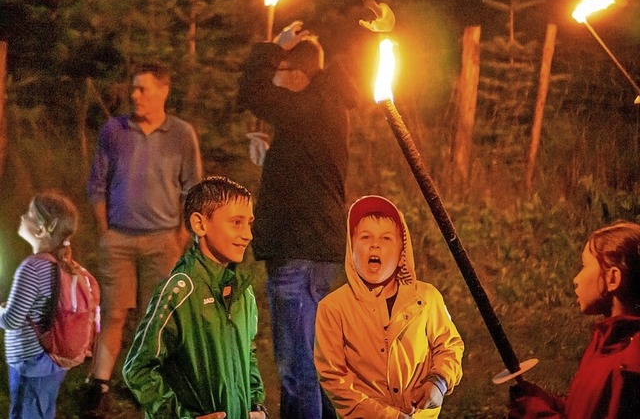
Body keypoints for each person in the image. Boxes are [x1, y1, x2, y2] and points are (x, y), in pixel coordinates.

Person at [237, 21, 358, 419]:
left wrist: (272, 47)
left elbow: (252, 92)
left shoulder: (314, 105)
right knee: (316, 361)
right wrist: (273, 152)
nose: (275, 80)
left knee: (297, 368)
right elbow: (306, 169)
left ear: (298, 75)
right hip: (315, 249)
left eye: (281, 72)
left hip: (300, 252)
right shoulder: (323, 109)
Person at [85, 62, 203, 412]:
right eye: (133, 88)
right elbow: (97, 184)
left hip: (163, 239)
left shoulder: (181, 134)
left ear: (163, 91)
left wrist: (181, 235)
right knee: (114, 313)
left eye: (143, 89)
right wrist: (105, 233)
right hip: (119, 239)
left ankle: (151, 383)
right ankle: (99, 387)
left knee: (159, 317)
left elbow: (194, 188)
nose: (135, 95)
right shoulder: (114, 130)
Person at [122, 175, 267, 419]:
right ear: (200, 224)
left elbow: (248, 353)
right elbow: (138, 367)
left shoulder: (243, 291)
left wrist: (256, 404)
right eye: (236, 222)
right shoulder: (181, 290)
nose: (248, 234)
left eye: (249, 223)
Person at [314, 195, 464, 419]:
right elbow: (333, 379)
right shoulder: (333, 308)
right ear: (351, 247)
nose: (375, 244)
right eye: (365, 237)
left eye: (386, 238)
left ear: (401, 251)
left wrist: (439, 381)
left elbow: (449, 346)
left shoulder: (427, 298)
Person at [508, 221, 640, 419]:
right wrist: (542, 401)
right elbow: (584, 410)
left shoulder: (628, 366)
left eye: (585, 266)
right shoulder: (604, 343)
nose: (576, 278)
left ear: (612, 278)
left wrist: (536, 414)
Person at [0, 191, 81, 419]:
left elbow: (11, 320)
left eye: (29, 213)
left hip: (30, 363)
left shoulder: (32, 268)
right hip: (52, 362)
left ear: (43, 228)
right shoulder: (63, 265)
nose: (23, 216)